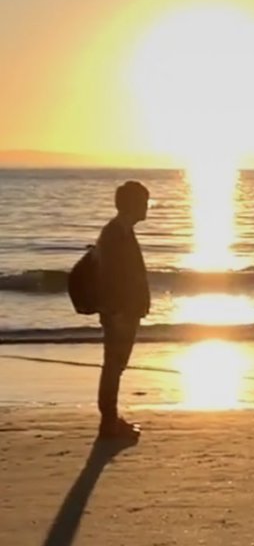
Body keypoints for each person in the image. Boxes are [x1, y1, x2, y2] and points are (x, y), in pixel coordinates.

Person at [96, 180, 150, 439]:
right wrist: (117, 311)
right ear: (132, 204)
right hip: (119, 312)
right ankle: (109, 424)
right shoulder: (115, 233)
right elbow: (110, 276)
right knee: (113, 365)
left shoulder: (122, 231)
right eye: (144, 202)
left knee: (116, 365)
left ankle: (111, 420)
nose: (147, 208)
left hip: (124, 311)